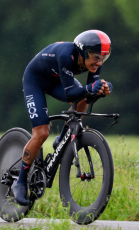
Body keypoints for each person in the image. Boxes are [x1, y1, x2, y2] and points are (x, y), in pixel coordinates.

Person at [12, 30, 113, 205]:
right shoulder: (67, 56)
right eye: (96, 57)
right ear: (84, 52)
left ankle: (62, 139)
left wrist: (103, 89)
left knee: (84, 99)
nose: (99, 62)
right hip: (35, 80)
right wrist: (91, 88)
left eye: (104, 57)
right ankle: (20, 181)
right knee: (42, 133)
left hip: (56, 79)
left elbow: (89, 92)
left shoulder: (95, 62)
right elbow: (70, 94)